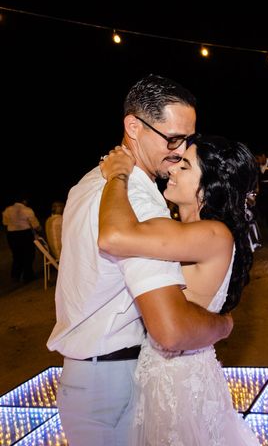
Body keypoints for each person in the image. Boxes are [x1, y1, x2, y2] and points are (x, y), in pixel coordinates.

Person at [46, 74, 233, 446]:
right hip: (115, 384)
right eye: (173, 138)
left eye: (187, 140)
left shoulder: (88, 183)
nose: (180, 151)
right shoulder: (139, 202)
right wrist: (225, 325)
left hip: (85, 379)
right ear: (133, 126)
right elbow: (172, 329)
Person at [99, 135, 260, 444]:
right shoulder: (190, 230)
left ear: (209, 186)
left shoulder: (213, 233)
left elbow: (113, 236)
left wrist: (117, 174)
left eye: (185, 165)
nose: (172, 169)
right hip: (166, 374)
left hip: (180, 384)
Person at [2, 196, 40, 283]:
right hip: (25, 234)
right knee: (29, 254)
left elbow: (5, 222)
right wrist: (38, 229)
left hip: (12, 235)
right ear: (24, 201)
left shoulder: (7, 210)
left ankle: (15, 275)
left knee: (17, 255)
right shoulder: (27, 210)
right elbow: (35, 224)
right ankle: (28, 275)